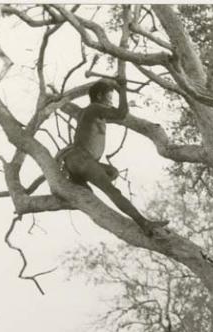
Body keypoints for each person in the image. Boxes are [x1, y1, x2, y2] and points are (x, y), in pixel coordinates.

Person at [59, 79, 169, 237]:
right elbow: (121, 114)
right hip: (81, 159)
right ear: (99, 96)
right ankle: (144, 224)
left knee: (112, 172)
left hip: (77, 162)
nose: (111, 103)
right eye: (109, 99)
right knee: (113, 191)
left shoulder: (88, 112)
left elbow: (113, 116)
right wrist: (122, 89)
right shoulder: (95, 108)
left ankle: (77, 181)